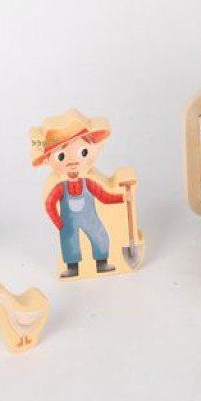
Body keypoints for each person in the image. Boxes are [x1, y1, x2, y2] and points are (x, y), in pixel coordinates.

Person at [31, 109, 128, 278]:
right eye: (61, 156)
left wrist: (122, 197)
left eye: (83, 152)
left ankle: (102, 263)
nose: (73, 161)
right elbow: (49, 204)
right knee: (69, 241)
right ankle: (72, 268)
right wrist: (58, 222)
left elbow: (104, 196)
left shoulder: (88, 182)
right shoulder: (60, 187)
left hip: (90, 218)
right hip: (68, 222)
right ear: (48, 159)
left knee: (99, 234)